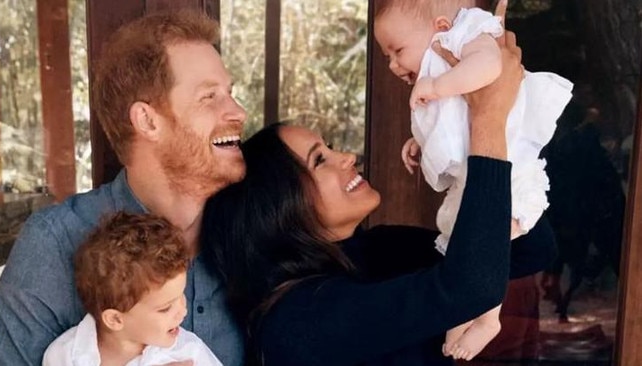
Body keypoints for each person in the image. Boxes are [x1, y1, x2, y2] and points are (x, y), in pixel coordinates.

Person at [201, 29, 556, 366]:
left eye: (332, 147)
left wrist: (459, 147)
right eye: (320, 160)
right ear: (279, 207)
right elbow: (471, 288)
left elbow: (528, 250)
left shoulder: (378, 249)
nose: (347, 158)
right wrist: (488, 118)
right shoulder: (298, 319)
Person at [0, 10, 246, 366]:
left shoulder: (250, 230)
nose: (238, 111)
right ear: (147, 121)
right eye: (210, 96)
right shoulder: (54, 245)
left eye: (230, 93)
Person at [373, 0, 572, 358]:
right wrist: (420, 141)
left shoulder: (468, 33)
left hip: (509, 169)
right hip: (476, 175)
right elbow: (454, 121)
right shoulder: (439, 70)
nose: (393, 64)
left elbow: (489, 65)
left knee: (487, 244)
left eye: (397, 50)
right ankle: (465, 312)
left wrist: (436, 86)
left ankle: (488, 318)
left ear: (440, 26)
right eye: (387, 55)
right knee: (464, 246)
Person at [43, 212, 223, 366]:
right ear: (115, 319)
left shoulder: (188, 351)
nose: (182, 311)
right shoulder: (66, 355)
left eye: (181, 295)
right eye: (165, 308)